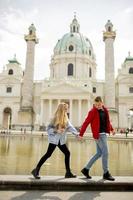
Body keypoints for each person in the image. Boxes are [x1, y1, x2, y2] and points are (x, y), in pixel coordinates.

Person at [31, 102, 79, 179]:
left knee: (67, 153)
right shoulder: (54, 118)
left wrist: (77, 134)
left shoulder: (66, 118)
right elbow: (48, 129)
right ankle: (36, 170)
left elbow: (70, 127)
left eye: (67, 109)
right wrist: (56, 130)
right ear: (61, 109)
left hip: (61, 140)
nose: (67, 110)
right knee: (48, 154)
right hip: (54, 140)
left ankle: (68, 172)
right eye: (65, 109)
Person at [79, 96, 115, 181]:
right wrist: (81, 134)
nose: (97, 106)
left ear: (102, 103)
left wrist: (112, 129)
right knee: (105, 153)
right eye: (96, 105)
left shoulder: (105, 110)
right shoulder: (92, 111)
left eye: (99, 105)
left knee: (99, 153)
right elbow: (86, 122)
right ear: (94, 104)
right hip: (98, 135)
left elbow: (107, 122)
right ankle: (106, 173)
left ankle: (86, 169)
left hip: (104, 134)